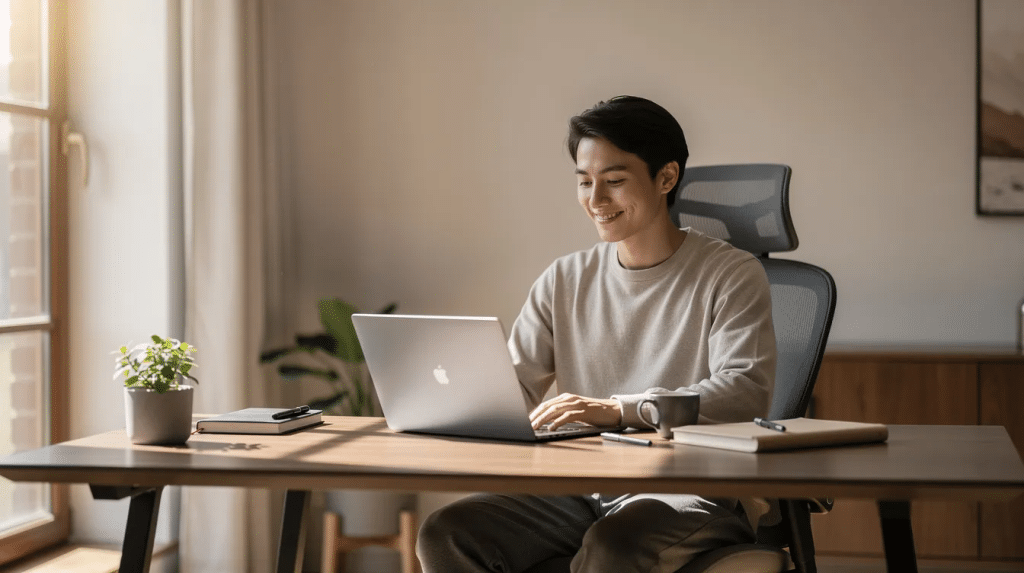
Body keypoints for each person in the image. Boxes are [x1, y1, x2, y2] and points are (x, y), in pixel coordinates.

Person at [416, 95, 777, 573]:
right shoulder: (564, 278)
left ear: (666, 178)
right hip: (583, 487)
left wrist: (618, 409)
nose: (596, 200)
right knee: (447, 533)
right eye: (585, 182)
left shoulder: (731, 274)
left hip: (690, 489)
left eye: (615, 181)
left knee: (614, 547)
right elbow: (514, 388)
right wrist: (449, 405)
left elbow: (744, 391)